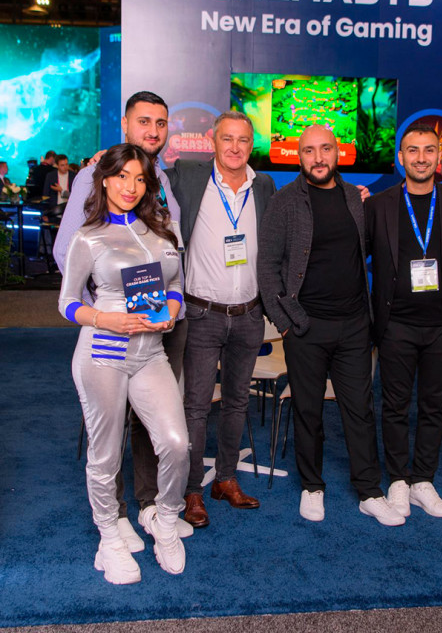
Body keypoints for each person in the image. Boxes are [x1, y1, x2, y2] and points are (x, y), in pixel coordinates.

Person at [55, 91, 193, 548]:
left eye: (161, 122)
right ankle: (113, 520)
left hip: (156, 330)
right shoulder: (93, 176)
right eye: (144, 121)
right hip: (109, 335)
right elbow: (69, 256)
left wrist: (169, 307)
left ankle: (151, 506)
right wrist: (106, 311)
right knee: (108, 434)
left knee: (158, 429)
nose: (153, 130)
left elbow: (169, 262)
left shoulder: (162, 182)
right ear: (126, 125)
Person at [258, 124, 403, 527]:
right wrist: (285, 324)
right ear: (298, 156)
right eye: (309, 150)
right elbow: (267, 267)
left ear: (338, 153)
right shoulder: (284, 202)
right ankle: (312, 486)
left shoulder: (355, 198)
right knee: (308, 412)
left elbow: (368, 250)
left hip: (354, 324)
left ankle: (369, 491)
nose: (318, 157)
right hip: (306, 326)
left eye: (325, 149)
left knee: (360, 410)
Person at [167, 110, 275, 528]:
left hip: (249, 314)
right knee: (196, 406)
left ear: (252, 145)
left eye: (243, 140)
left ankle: (225, 479)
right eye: (227, 139)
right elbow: (140, 176)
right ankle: (193, 488)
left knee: (237, 402)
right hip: (201, 313)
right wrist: (100, 163)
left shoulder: (263, 185)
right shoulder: (188, 176)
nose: (234, 147)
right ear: (212, 141)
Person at [365, 123, 442, 518]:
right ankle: (398, 479)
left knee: (433, 406)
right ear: (401, 157)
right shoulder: (378, 205)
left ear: (439, 157)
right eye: (413, 150)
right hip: (395, 324)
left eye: (429, 150)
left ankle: (423, 479)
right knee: (394, 406)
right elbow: (352, 257)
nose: (421, 158)